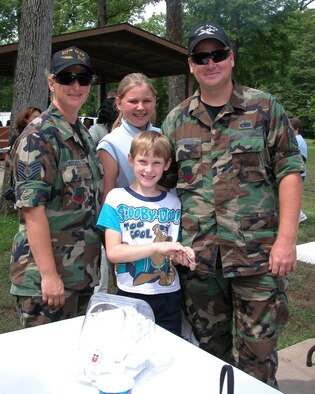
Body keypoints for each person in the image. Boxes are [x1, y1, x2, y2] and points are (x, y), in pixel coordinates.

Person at [161, 22, 305, 387]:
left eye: (218, 54)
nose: (211, 62)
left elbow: (290, 172)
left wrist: (286, 240)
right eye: (201, 56)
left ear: (231, 58)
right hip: (200, 263)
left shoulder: (263, 107)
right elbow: (163, 188)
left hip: (258, 258)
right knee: (209, 356)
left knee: (258, 356)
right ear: (191, 65)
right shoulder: (176, 120)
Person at [9, 46, 104, 327]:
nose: (76, 85)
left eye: (83, 78)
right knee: (46, 366)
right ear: (52, 83)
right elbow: (32, 212)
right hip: (47, 281)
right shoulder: (39, 136)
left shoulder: (82, 134)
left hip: (80, 273)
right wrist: (49, 276)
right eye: (66, 78)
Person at [97, 131, 196, 336]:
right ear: (131, 160)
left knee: (166, 355)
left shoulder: (174, 203)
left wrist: (182, 256)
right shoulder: (116, 199)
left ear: (167, 164)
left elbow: (172, 254)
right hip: (131, 294)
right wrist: (156, 247)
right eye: (143, 161)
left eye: (157, 163)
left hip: (168, 295)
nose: (149, 169)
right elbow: (114, 253)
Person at [96, 73, 159, 291]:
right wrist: (112, 243)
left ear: (154, 102)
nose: (140, 107)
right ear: (119, 103)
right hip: (127, 234)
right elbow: (108, 196)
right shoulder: (110, 143)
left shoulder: (162, 136)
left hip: (161, 226)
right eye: (133, 101)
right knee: (130, 290)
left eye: (146, 101)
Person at [290, 117, 308, 223]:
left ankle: (300, 216)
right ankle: (299, 215)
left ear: (295, 128)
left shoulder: (296, 140)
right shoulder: (300, 139)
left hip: (298, 173)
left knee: (292, 196)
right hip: (300, 172)